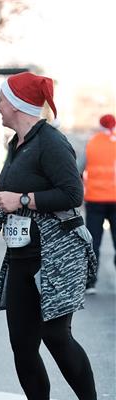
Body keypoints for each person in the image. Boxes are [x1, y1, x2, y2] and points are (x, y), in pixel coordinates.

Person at [0, 71, 109, 400]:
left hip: (57, 256)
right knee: (22, 343)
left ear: (19, 105)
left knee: (56, 335)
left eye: (2, 99)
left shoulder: (52, 142)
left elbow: (73, 193)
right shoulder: (18, 143)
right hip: (22, 256)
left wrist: (22, 200)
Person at [81, 113, 116, 294]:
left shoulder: (92, 143)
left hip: (95, 199)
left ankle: (90, 283)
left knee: (93, 241)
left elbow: (79, 170)